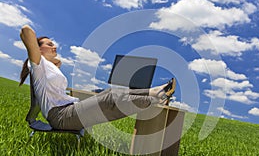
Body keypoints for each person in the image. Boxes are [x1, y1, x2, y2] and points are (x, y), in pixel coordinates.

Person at [19, 25, 176, 131]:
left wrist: (54, 60)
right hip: (60, 116)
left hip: (68, 109)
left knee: (109, 93)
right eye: (49, 44)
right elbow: (26, 31)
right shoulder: (37, 64)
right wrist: (36, 51)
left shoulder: (47, 66)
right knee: (109, 99)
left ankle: (155, 92)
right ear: (38, 49)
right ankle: (157, 97)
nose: (54, 47)